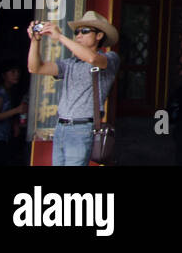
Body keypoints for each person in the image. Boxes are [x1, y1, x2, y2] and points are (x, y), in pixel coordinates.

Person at [27, 10, 119, 166]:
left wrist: (60, 37)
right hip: (61, 127)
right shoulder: (70, 63)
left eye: (84, 31)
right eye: (77, 31)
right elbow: (35, 68)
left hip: (82, 128)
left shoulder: (110, 58)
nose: (79, 35)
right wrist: (35, 41)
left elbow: (92, 58)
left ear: (99, 36)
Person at [0, 62, 26, 166]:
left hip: (5, 136)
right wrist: (17, 110)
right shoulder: (0, 92)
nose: (16, 74)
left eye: (18, 72)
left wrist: (15, 123)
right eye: (12, 72)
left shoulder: (9, 91)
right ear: (3, 75)